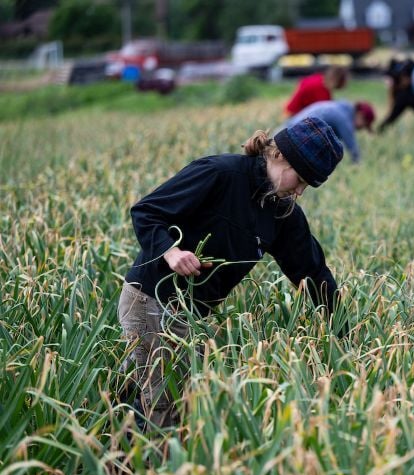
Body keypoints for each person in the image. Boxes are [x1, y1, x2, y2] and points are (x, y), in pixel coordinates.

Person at [119, 117, 345, 430]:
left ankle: (112, 444)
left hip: (190, 313)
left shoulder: (282, 212)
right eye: (301, 179)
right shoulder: (220, 173)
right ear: (279, 156)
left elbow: (312, 271)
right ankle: (136, 473)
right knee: (164, 405)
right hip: (150, 298)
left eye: (308, 185)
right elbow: (147, 212)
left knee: (154, 392)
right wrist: (171, 252)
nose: (300, 191)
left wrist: (344, 328)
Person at [283, 100, 375, 163]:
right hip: (291, 137)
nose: (362, 128)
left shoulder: (338, 107)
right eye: (365, 125)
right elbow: (353, 149)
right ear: (360, 115)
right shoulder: (344, 119)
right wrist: (358, 166)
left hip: (286, 131)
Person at [283, 65, 349, 117]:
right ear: (335, 80)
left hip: (291, 111)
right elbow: (326, 113)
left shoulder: (318, 78)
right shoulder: (321, 90)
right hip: (295, 116)